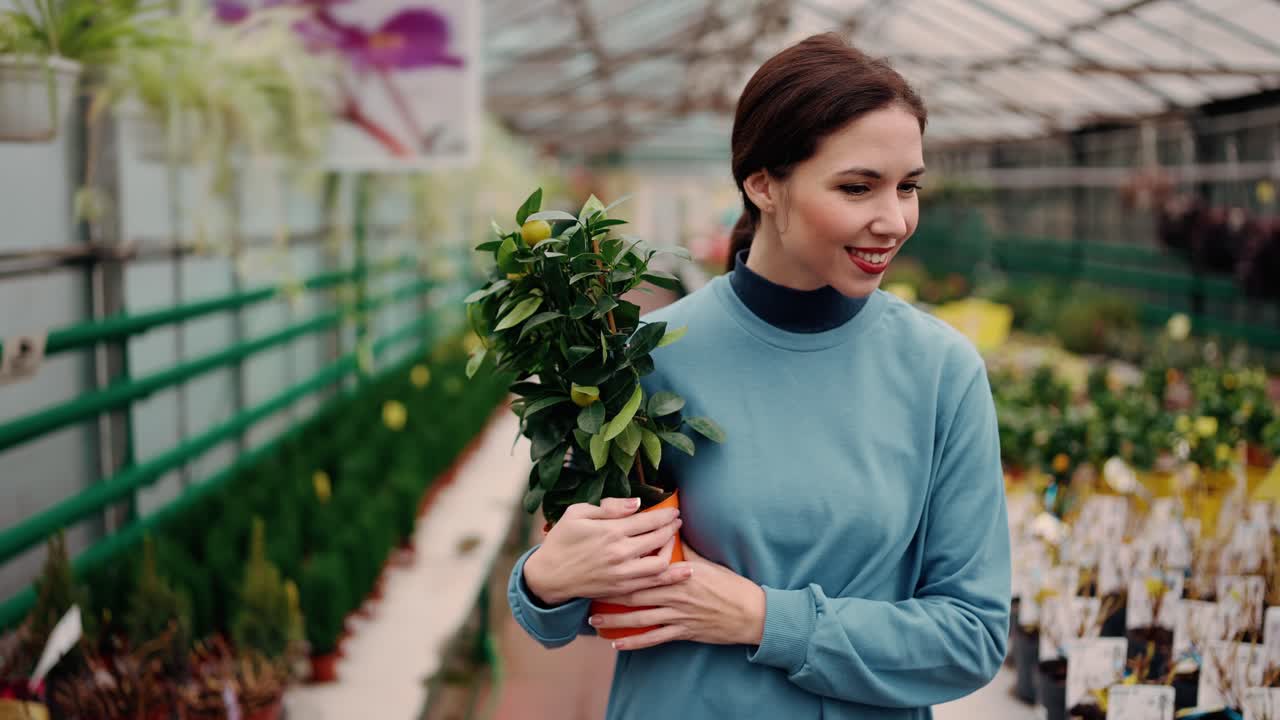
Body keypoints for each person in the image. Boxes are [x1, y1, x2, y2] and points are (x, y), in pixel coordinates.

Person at [507, 32, 1011, 720]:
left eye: (909, 187)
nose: (893, 220)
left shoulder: (940, 372)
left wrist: (764, 618)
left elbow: (971, 638)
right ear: (763, 184)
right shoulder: (648, 356)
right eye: (858, 187)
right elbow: (559, 616)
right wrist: (542, 580)